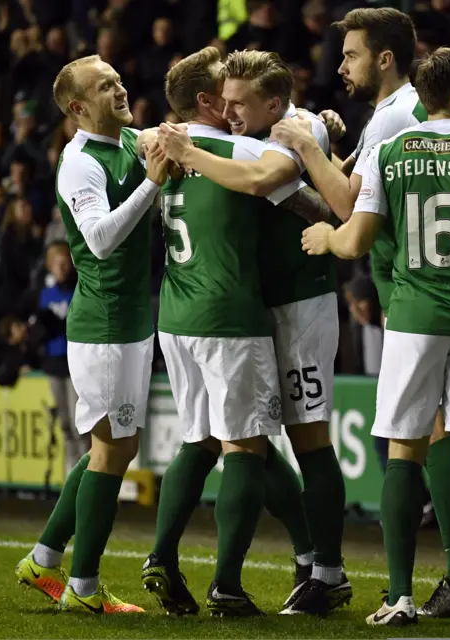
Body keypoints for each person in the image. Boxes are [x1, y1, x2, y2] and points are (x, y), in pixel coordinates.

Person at [270, 6, 450, 618]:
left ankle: (411, 589)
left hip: (411, 300)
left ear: (388, 60)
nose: (341, 66)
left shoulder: (395, 129)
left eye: (351, 55)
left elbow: (346, 210)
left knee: (405, 448)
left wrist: (307, 154)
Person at [141, 47, 333, 617]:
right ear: (206, 100)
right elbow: (317, 205)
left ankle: (161, 557)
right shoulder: (240, 148)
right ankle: (227, 584)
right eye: (224, 95)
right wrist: (316, 136)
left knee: (199, 439)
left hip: (174, 318)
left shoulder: (158, 153)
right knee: (247, 447)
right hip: (230, 315)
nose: (232, 106)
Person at [14, 54, 169, 614]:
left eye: (119, 79)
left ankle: (45, 557)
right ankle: (81, 589)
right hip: (102, 325)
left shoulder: (126, 138)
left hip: (127, 320)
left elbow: (169, 132)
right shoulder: (79, 162)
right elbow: (100, 240)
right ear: (79, 107)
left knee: (115, 446)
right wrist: (153, 183)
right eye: (106, 86)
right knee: (110, 450)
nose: (121, 88)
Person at [40, 242, 85, 474]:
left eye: (65, 261)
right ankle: (71, 472)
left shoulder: (78, 289)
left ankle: (85, 472)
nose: (62, 266)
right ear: (49, 265)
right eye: (57, 262)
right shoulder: (45, 294)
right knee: (65, 424)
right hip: (55, 364)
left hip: (75, 364)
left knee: (80, 425)